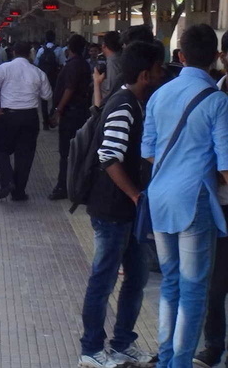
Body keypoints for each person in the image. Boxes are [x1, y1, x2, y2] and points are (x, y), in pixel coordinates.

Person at [142, 24, 228, 368]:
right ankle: (178, 363)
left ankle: (166, 358)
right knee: (194, 289)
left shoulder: (159, 94)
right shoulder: (217, 101)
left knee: (170, 284)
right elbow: (225, 165)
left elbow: (148, 151)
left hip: (159, 197)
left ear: (180, 56)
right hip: (194, 201)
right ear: (215, 59)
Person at [78, 42, 164, 368]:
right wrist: (134, 195)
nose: (161, 76)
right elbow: (109, 156)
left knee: (137, 277)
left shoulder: (136, 103)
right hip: (112, 211)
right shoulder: (125, 106)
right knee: (103, 279)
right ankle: (91, 350)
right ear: (145, 74)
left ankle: (123, 343)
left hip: (127, 212)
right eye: (158, 70)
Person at [194, 30, 228, 368]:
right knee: (215, 284)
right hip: (220, 203)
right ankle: (213, 345)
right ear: (222, 57)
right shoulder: (215, 94)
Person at [0, 41, 53, 201]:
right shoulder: (38, 72)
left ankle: (7, 179)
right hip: (30, 118)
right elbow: (47, 95)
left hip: (8, 116)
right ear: (30, 54)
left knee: (0, 150)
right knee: (25, 156)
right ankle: (18, 193)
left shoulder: (4, 68)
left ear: (13, 52)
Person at [49, 34, 91, 200]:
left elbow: (69, 88)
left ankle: (64, 186)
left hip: (72, 114)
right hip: (78, 112)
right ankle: (75, 185)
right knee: (75, 151)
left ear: (69, 48)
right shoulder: (83, 64)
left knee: (67, 152)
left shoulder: (73, 65)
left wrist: (59, 109)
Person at [35, 30, 66, 130]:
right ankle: (51, 116)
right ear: (54, 38)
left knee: (44, 100)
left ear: (45, 38)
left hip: (43, 78)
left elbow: (36, 64)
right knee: (55, 99)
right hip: (54, 78)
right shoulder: (58, 50)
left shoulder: (41, 50)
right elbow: (63, 64)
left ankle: (45, 122)